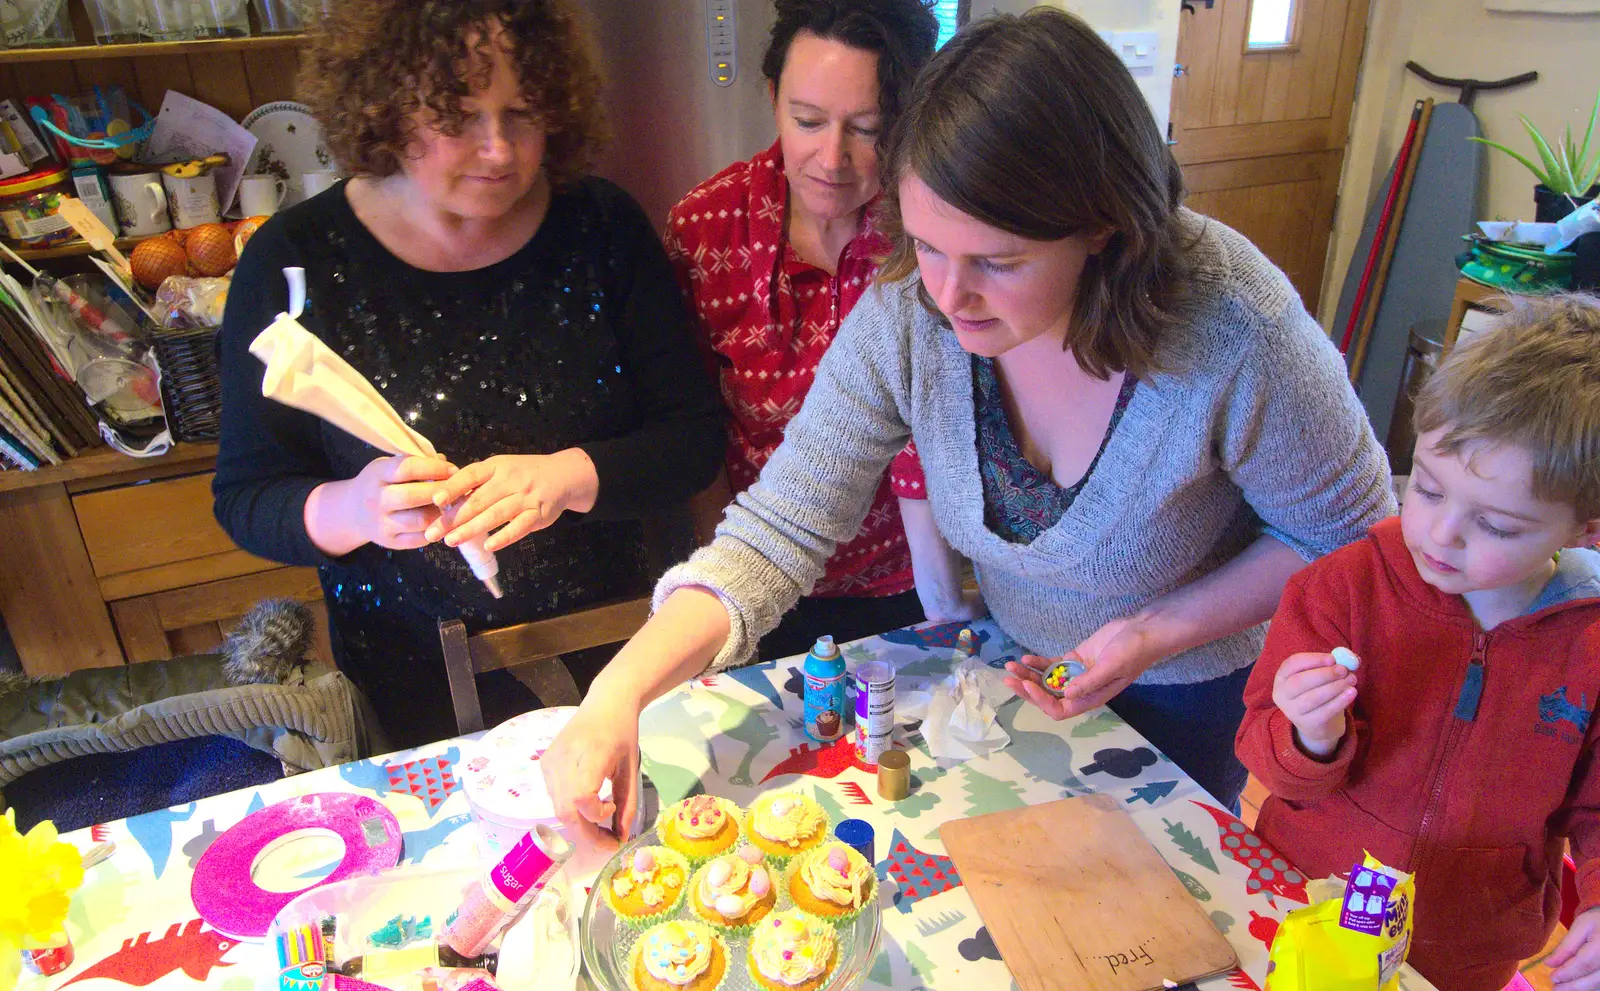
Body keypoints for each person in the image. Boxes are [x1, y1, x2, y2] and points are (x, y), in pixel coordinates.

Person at [522, 7, 1393, 843]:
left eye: (998, 262)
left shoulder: (1233, 323)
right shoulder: (911, 308)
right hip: (1017, 662)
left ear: (1102, 229)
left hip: (1190, 688)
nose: (948, 295)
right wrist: (618, 693)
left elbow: (1353, 535)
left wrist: (1149, 633)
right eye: (928, 246)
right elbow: (778, 527)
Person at [212, 0, 724, 750]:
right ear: (384, 105)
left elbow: (693, 440)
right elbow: (247, 495)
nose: (498, 150)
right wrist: (355, 508)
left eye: (522, 113)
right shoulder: (294, 263)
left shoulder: (602, 227)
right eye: (455, 116)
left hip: (634, 657)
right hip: (416, 681)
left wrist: (569, 476)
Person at [1236, 295, 1600, 991]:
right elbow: (1265, 754)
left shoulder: (1589, 642)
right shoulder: (1341, 589)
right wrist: (1310, 735)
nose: (1439, 534)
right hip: (1311, 897)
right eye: (1427, 489)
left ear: (1587, 529)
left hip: (1470, 942)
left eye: (1495, 525)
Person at [663, 0, 980, 661]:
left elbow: (936, 428)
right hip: (761, 585)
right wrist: (718, 593)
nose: (831, 158)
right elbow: (693, 435)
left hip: (914, 580)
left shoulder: (928, 231)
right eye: (807, 122)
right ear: (774, 97)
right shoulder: (706, 229)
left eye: (866, 129)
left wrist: (946, 606)